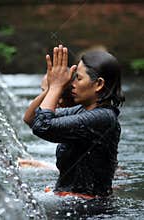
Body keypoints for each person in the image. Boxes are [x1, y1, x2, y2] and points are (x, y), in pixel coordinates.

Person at [22, 45, 125, 197]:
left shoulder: (103, 118)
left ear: (99, 84)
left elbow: (42, 126)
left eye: (78, 78)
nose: (72, 84)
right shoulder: (81, 110)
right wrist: (51, 87)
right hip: (70, 202)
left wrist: (57, 87)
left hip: (88, 210)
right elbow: (31, 119)